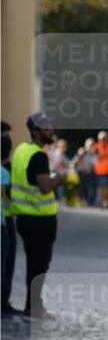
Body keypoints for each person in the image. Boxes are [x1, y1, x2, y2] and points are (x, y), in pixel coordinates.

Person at [10, 114, 66, 319]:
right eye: (46, 128)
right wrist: (59, 179)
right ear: (35, 131)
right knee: (39, 264)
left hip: (24, 218)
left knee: (34, 263)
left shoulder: (21, 150)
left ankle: (32, 305)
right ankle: (33, 307)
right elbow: (44, 187)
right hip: (40, 219)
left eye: (51, 127)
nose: (50, 131)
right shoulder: (39, 156)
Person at [1, 121, 20, 317]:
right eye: (5, 137)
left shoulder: (8, 166)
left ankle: (4, 300)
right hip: (4, 220)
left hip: (7, 218)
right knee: (5, 261)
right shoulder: (4, 171)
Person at [93, 131, 108, 208]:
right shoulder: (96, 147)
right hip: (100, 171)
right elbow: (98, 157)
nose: (104, 140)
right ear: (99, 139)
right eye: (102, 138)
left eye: (105, 138)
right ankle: (102, 202)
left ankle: (106, 202)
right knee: (103, 187)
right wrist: (107, 154)